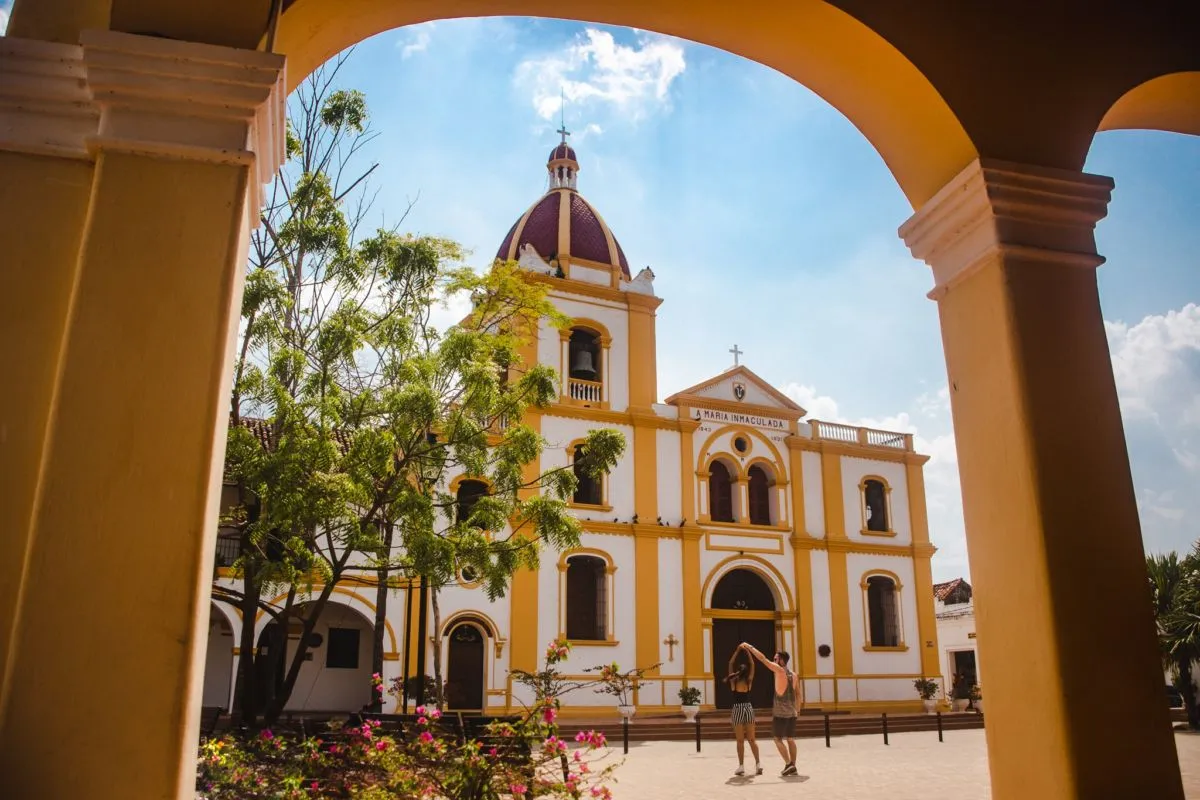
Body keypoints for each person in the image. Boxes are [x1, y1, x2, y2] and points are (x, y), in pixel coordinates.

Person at [742, 642, 801, 776]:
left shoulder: (779, 670)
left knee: (777, 739)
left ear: (781, 660)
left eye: (775, 659)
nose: (774, 661)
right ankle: (793, 765)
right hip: (792, 712)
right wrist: (797, 710)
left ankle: (788, 763)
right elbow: (798, 694)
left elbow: (763, 659)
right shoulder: (794, 674)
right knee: (790, 739)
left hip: (781, 713)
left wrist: (750, 647)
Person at [725, 643, 762, 776]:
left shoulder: (733, 682)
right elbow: (753, 664)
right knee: (752, 739)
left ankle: (741, 766)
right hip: (748, 708)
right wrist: (747, 651)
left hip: (738, 709)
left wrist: (737, 650)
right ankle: (758, 764)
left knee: (740, 740)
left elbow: (730, 663)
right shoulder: (748, 682)